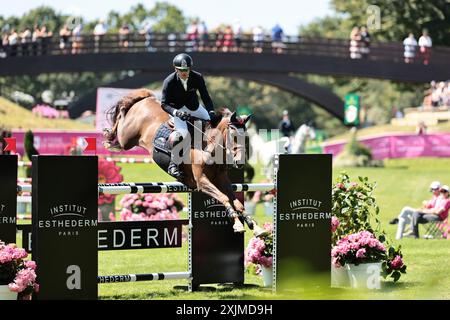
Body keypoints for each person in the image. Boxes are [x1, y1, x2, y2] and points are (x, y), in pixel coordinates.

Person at [160, 53, 215, 179]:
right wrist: (175, 112)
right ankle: (173, 164)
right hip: (177, 109)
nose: (185, 73)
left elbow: (205, 97)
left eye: (187, 70)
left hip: (194, 107)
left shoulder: (197, 77)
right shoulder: (169, 81)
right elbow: (164, 104)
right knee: (183, 134)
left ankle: (220, 156)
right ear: (176, 69)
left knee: (213, 127)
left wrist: (211, 112)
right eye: (182, 70)